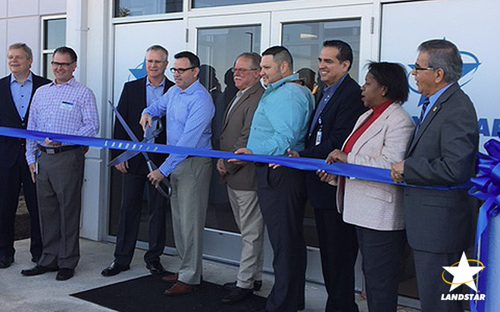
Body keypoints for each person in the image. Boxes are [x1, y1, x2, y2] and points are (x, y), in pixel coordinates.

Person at [318, 62, 414, 312]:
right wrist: (335, 174)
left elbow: (390, 165)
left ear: (383, 88)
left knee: (380, 281)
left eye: (368, 83)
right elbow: (351, 156)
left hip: (380, 215)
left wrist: (346, 159)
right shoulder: (366, 116)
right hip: (359, 210)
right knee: (370, 276)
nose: (362, 88)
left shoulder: (399, 121)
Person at [391, 39, 478, 312]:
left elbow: (456, 167)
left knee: (441, 304)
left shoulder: (457, 107)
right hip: (430, 228)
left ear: (438, 74)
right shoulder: (437, 103)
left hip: (442, 231)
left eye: (417, 68)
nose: (413, 74)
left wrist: (409, 168)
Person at [233, 46, 314, 312]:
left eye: (267, 68)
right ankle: (291, 299)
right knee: (286, 240)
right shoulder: (280, 92)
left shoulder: (289, 94)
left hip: (280, 172)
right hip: (274, 170)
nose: (262, 73)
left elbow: (285, 138)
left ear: (283, 67)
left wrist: (254, 152)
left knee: (285, 242)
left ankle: (283, 303)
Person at [288, 40, 366, 312]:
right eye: (320, 60)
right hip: (319, 185)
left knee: (339, 255)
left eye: (328, 61)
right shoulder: (324, 91)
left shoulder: (351, 95)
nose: (321, 66)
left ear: (345, 65)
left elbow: (338, 140)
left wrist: (304, 154)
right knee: (330, 255)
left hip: (334, 187)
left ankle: (342, 307)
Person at [21, 46, 99, 281]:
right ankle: (48, 258)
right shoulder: (42, 92)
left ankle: (67, 261)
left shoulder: (83, 94)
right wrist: (30, 158)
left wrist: (64, 138)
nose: (59, 68)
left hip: (68, 157)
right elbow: (31, 128)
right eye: (55, 63)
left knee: (68, 210)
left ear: (74, 66)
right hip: (43, 158)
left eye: (64, 64)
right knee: (47, 212)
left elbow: (92, 127)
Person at [140, 51, 214, 296]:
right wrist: (147, 113)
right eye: (174, 70)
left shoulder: (201, 100)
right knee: (180, 220)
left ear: (195, 72)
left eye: (182, 70)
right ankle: (186, 269)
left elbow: (187, 143)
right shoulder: (174, 92)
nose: (176, 74)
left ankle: (191, 277)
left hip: (192, 163)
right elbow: (155, 106)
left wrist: (163, 170)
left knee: (191, 222)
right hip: (177, 163)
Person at [101, 45, 174, 277]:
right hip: (132, 159)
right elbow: (119, 122)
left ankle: (153, 259)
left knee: (157, 210)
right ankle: (121, 259)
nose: (153, 65)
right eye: (149, 61)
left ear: (165, 64)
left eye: (157, 62)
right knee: (128, 209)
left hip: (161, 162)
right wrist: (117, 154)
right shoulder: (131, 88)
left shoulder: (174, 90)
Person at [216, 52, 265, 304]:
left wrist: (226, 163)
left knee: (251, 232)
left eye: (243, 70)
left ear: (257, 73)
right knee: (248, 230)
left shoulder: (258, 98)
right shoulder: (239, 94)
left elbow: (248, 137)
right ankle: (253, 277)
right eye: (235, 69)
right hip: (233, 174)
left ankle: (244, 283)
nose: (236, 74)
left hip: (246, 175)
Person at [0, 43, 50, 269]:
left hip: (36, 157)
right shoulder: (0, 87)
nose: (13, 61)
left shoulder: (46, 86)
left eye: (18, 57)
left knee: (38, 206)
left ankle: (39, 252)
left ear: (30, 60)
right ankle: (4, 253)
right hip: (5, 157)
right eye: (10, 57)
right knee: (4, 206)